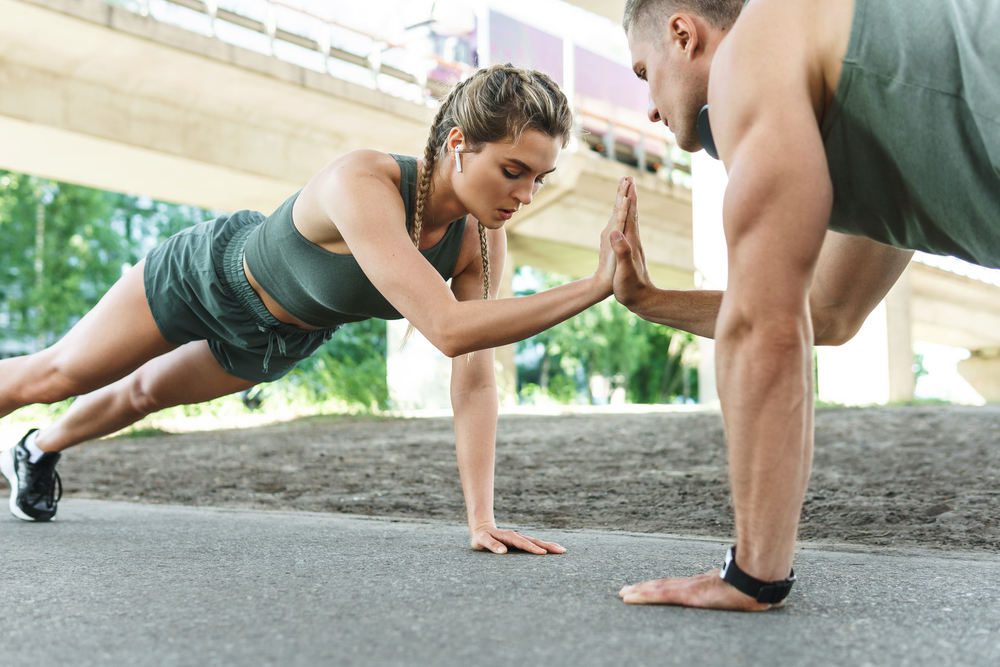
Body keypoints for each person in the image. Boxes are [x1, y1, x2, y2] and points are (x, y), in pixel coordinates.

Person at [0, 64, 639, 559]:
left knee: (142, 395)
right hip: (206, 277)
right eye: (513, 170)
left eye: (539, 179)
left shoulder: (478, 236)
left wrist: (481, 520)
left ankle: (36, 450)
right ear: (458, 143)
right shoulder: (363, 180)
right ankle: (33, 426)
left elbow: (473, 374)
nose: (525, 195)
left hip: (279, 338)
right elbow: (447, 330)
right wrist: (595, 285)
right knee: (58, 375)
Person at [611, 0, 999, 610]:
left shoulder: (753, 51)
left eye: (643, 73)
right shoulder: (856, 102)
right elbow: (827, 310)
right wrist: (649, 300)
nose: (651, 107)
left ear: (683, 35)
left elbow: (764, 325)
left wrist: (752, 577)